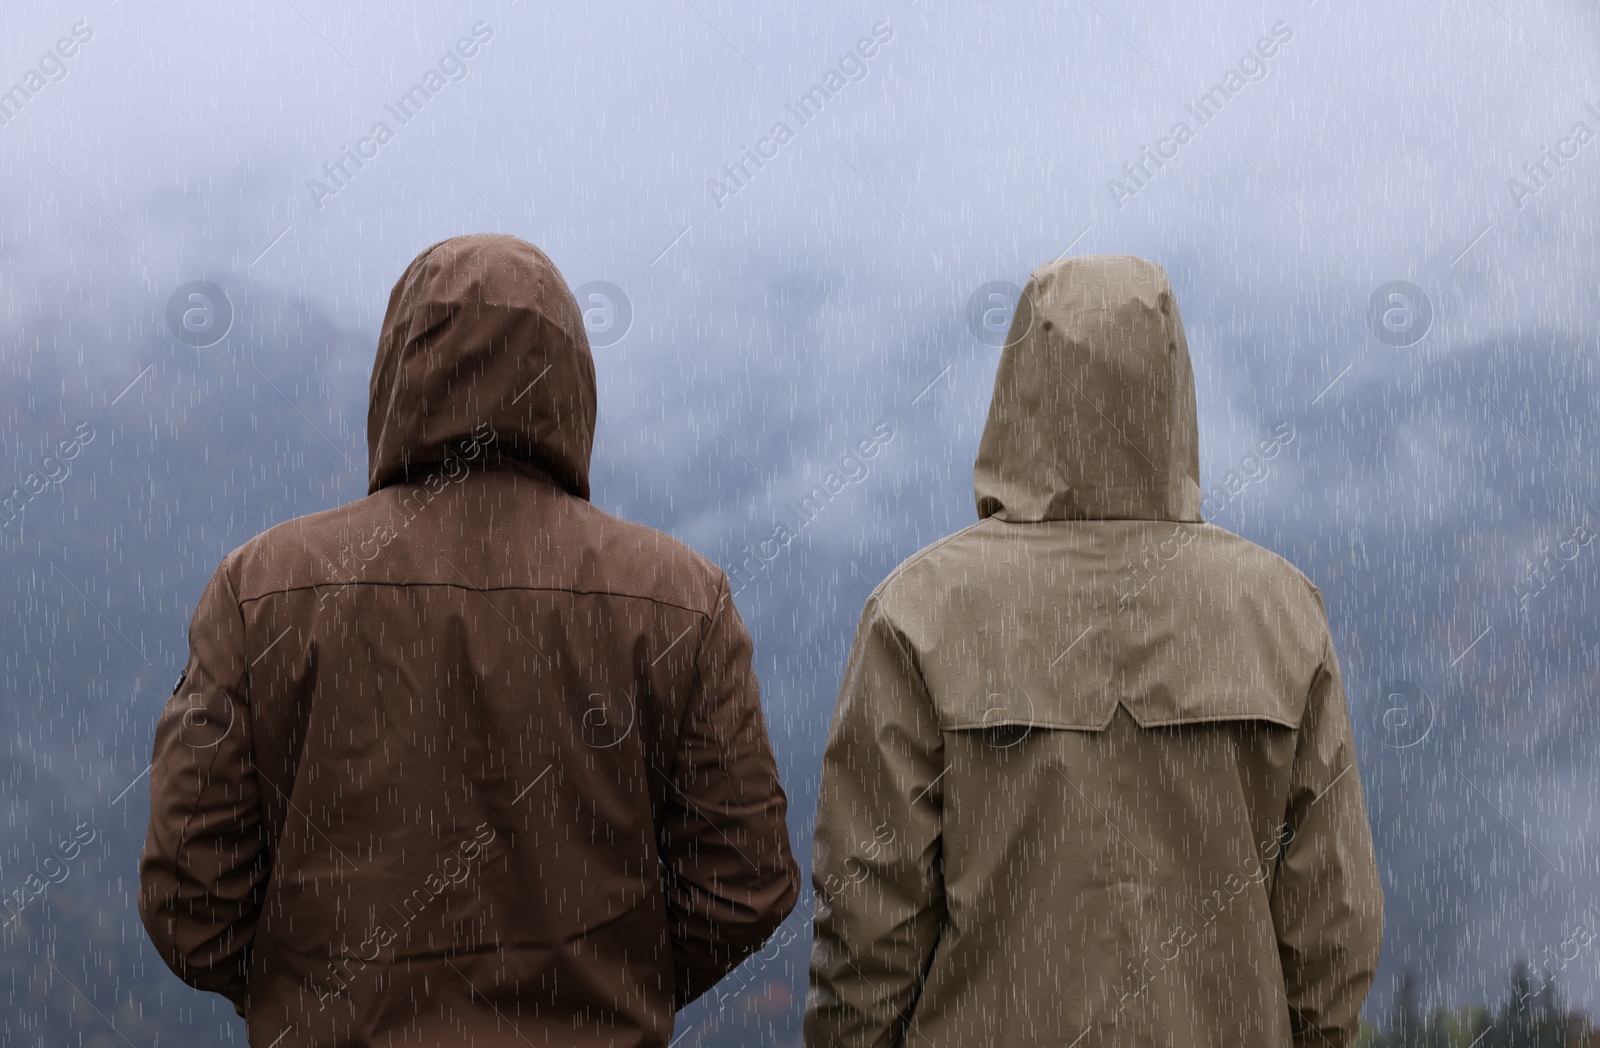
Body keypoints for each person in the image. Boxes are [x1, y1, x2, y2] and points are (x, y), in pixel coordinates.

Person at [139, 233, 799, 1047]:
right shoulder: (681, 599)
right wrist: (608, 987)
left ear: (395, 375)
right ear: (571, 383)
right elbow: (746, 881)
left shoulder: (264, 589)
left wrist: (312, 996)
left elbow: (187, 890)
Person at [806, 254, 1382, 1047]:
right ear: (1174, 385)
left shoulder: (918, 613)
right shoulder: (1279, 612)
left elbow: (869, 922)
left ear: (1021, 382)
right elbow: (1331, 925)